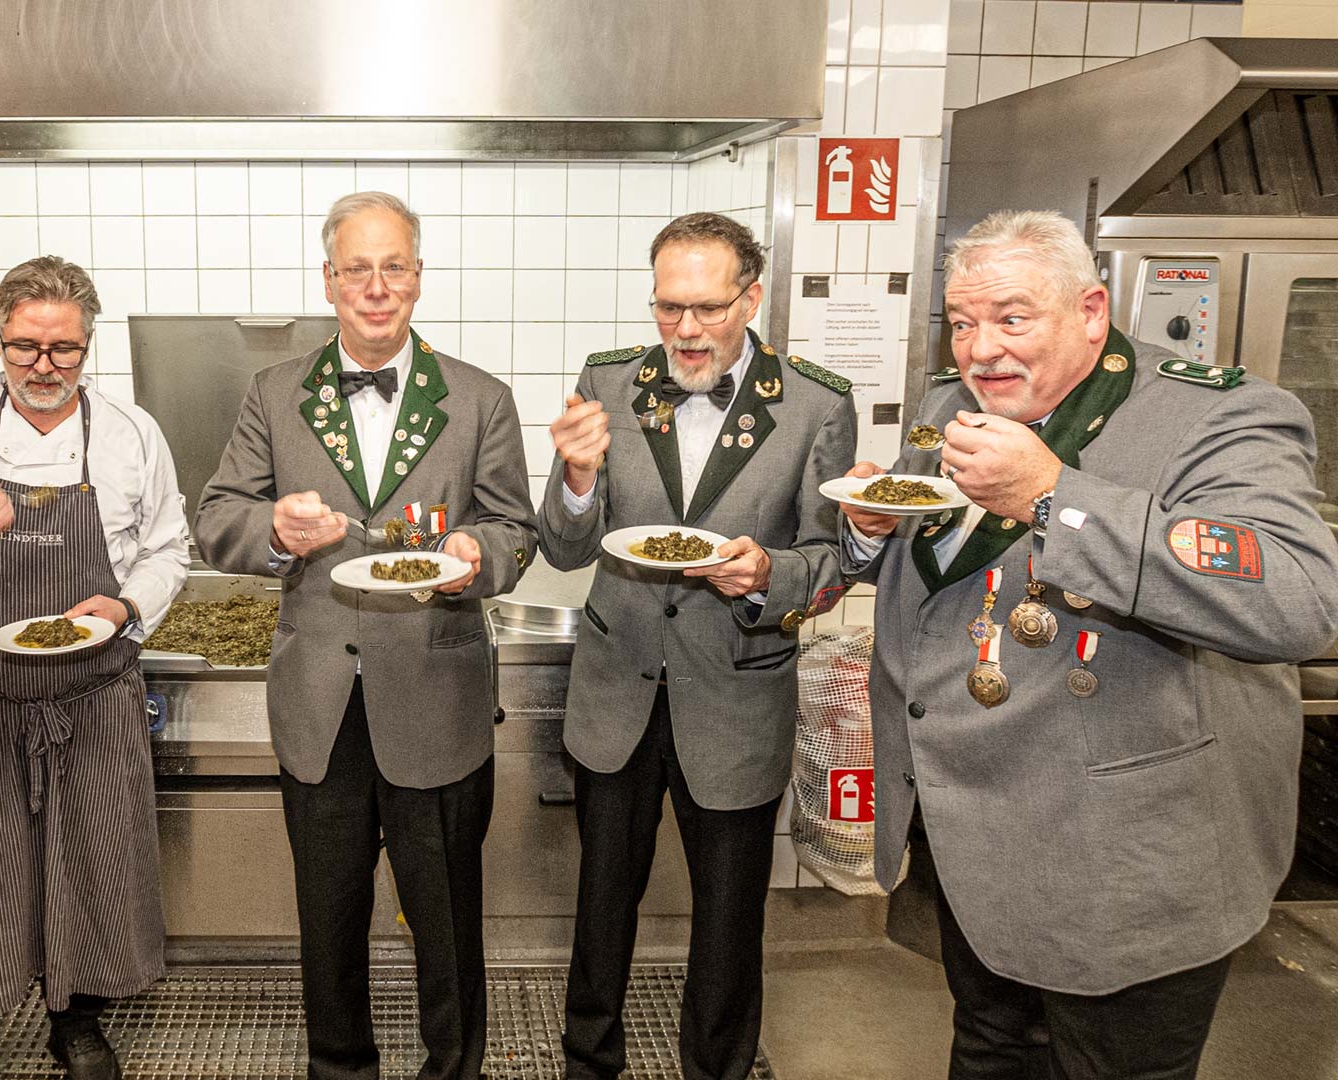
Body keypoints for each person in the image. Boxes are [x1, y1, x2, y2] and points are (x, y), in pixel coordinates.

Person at [840, 209, 1338, 1079]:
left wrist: (1053, 496)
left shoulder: (1221, 416)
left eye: (1013, 318)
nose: (982, 349)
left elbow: (1298, 600)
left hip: (1121, 870)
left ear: (1092, 310)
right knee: (989, 1051)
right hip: (973, 838)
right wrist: (871, 531)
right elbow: (946, 572)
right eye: (963, 323)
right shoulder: (949, 406)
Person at [197, 191, 537, 1080]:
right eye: (358, 270)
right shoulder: (274, 394)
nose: (376, 288)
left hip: (437, 697)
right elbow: (218, 519)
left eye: (393, 268)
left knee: (448, 923)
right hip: (320, 705)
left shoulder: (480, 398)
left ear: (417, 278)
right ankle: (340, 1069)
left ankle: (453, 1068)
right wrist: (275, 530)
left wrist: (480, 554)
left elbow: (516, 528)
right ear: (329, 281)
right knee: (330, 922)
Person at [538, 211, 856, 1080]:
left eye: (708, 308)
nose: (685, 329)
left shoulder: (816, 404)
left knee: (728, 921)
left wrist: (767, 575)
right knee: (601, 906)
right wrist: (575, 478)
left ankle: (716, 1067)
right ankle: (587, 1062)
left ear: (751, 299)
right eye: (668, 306)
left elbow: (832, 562)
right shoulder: (608, 382)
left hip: (738, 694)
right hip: (617, 691)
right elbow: (564, 548)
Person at [0, 255, 187, 1080]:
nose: (44, 367)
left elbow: (169, 549)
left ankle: (76, 1022)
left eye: (64, 350)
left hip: (95, 695)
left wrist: (124, 607)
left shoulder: (130, 434)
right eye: (25, 348)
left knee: (93, 862)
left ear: (90, 345)